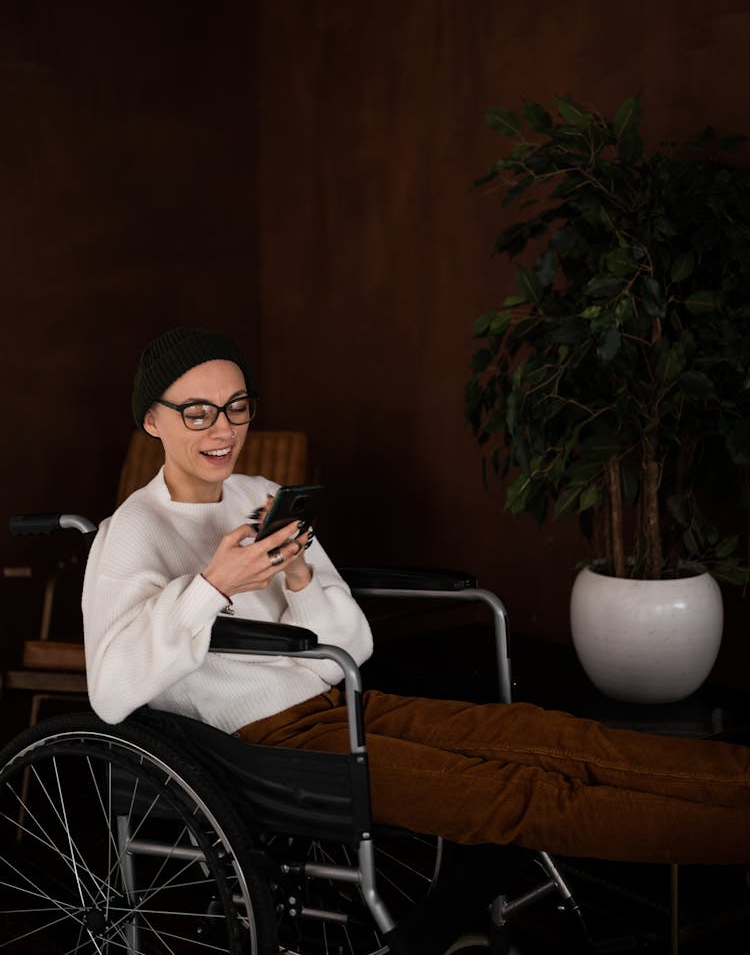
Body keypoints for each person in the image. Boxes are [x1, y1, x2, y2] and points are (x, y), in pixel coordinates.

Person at [83, 327, 750, 870]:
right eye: (197, 411)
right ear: (152, 419)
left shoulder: (255, 490)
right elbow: (110, 692)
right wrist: (212, 585)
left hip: (339, 699)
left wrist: (301, 581)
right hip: (258, 745)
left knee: (543, 734)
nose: (222, 427)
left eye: (237, 405)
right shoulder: (129, 533)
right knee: (520, 793)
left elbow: (352, 645)